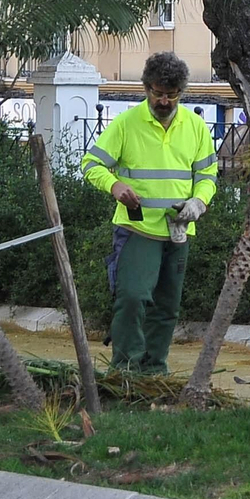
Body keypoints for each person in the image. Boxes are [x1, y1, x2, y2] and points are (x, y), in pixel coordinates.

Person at [80, 52, 217, 374]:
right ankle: (125, 371)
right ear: (146, 89)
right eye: (158, 93)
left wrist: (198, 203)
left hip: (179, 230)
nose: (164, 101)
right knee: (132, 299)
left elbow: (208, 176)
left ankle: (154, 371)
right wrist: (114, 186)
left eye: (172, 95)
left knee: (167, 306)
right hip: (137, 230)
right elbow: (91, 164)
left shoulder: (195, 127)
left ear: (181, 92)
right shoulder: (126, 124)